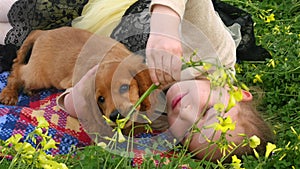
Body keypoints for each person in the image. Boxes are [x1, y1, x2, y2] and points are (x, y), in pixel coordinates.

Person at [0, 0, 273, 161]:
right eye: (208, 111)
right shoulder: (215, 51)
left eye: (189, 131)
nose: (186, 112)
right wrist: (165, 24)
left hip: (76, 40)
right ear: (238, 92)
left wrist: (78, 99)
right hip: (109, 6)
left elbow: (82, 95)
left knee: (8, 35)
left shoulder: (154, 115)